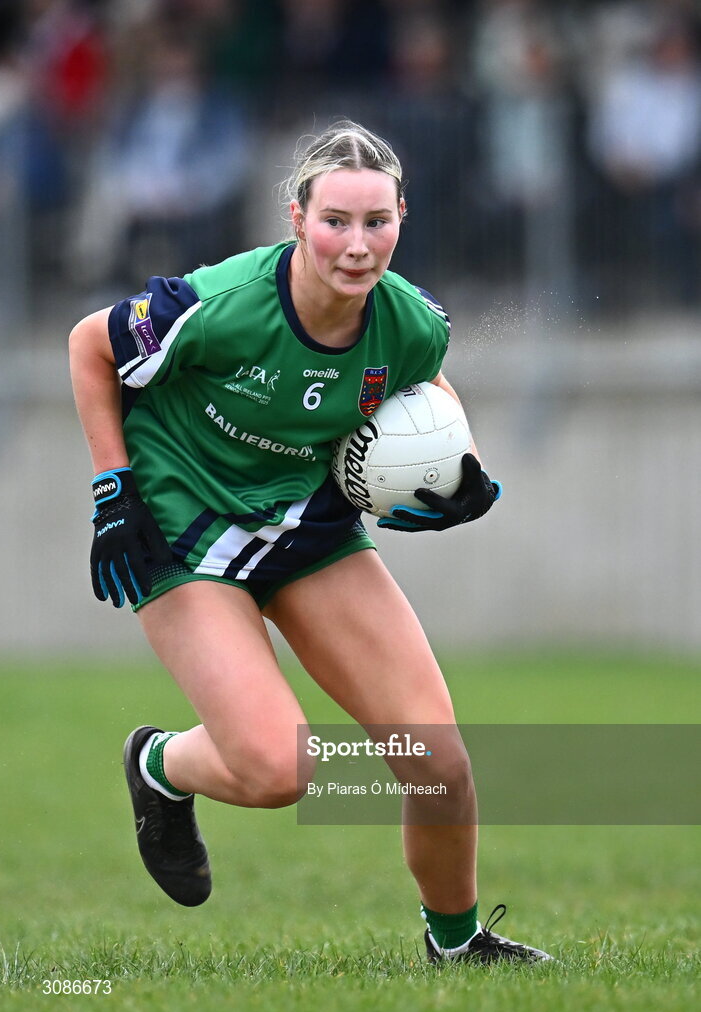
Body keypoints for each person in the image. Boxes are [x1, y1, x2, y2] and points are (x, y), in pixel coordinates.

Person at [69, 120, 553, 966]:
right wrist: (112, 489)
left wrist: (456, 471)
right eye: (336, 220)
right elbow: (88, 346)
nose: (358, 246)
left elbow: (422, 382)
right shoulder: (214, 305)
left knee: (437, 762)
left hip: (308, 530)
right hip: (185, 528)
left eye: (377, 222)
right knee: (274, 772)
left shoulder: (412, 321)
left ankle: (455, 943)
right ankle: (160, 765)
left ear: (403, 215)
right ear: (295, 217)